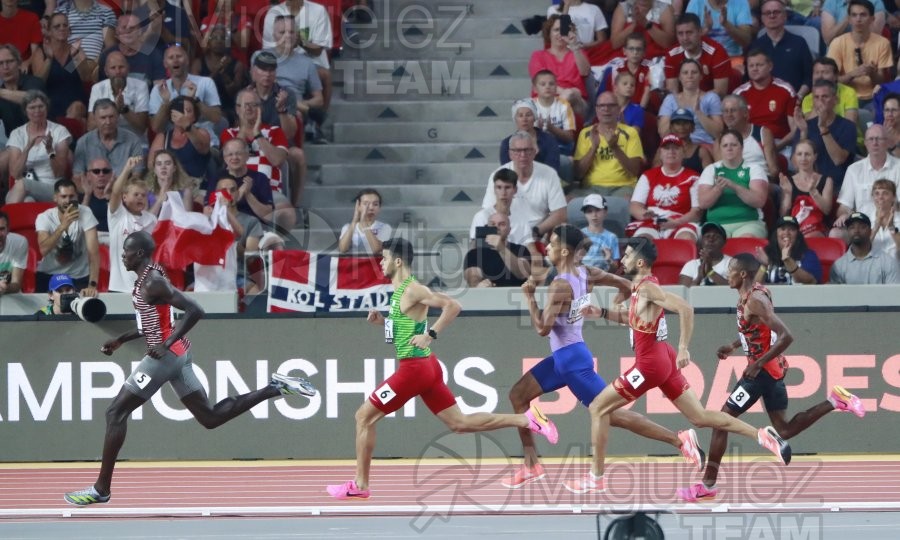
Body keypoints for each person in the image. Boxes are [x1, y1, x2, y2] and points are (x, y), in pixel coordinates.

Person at [63, 230, 316, 506]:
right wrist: (121, 340)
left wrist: (166, 344)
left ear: (137, 254)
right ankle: (275, 387)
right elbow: (153, 320)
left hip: (165, 357)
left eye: (124, 251)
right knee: (209, 418)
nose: (120, 256)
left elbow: (196, 310)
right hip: (179, 354)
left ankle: (101, 489)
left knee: (115, 412)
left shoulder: (153, 283)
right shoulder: (148, 278)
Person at [326, 238, 559, 500]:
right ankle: (527, 419)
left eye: (385, 257)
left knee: (363, 417)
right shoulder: (400, 291)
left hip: (414, 370)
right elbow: (403, 333)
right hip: (426, 367)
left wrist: (431, 334)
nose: (381, 262)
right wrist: (383, 324)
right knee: (460, 423)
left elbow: (453, 305)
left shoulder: (413, 289)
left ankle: (361, 484)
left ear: (398, 261)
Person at [565, 240, 792, 494]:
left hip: (650, 364)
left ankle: (596, 478)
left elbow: (685, 308)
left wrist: (684, 347)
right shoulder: (641, 287)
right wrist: (602, 312)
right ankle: (762, 435)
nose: (623, 260)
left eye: (628, 256)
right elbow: (634, 318)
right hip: (663, 359)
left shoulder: (648, 287)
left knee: (597, 407)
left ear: (640, 262)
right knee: (701, 417)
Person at [505, 225, 704, 488]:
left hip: (571, 363)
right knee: (518, 395)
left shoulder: (560, 286)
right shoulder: (587, 274)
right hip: (566, 358)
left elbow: (543, 328)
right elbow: (624, 284)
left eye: (552, 244)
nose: (548, 249)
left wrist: (529, 298)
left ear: (564, 251)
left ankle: (679, 441)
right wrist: (619, 307)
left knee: (613, 414)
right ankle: (532, 464)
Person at [676, 252, 865, 502]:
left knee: (721, 420)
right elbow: (759, 330)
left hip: (761, 372)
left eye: (730, 269)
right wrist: (734, 346)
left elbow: (787, 335)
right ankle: (835, 401)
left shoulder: (755, 300)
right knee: (784, 429)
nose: (726, 274)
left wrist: (758, 364)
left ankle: (707, 485)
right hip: (771, 370)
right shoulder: (754, 293)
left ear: (742, 273)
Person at [628, 134, 702, 240]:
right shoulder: (648, 175)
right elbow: (634, 206)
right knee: (641, 241)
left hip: (681, 222)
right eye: (666, 148)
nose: (671, 152)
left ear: (683, 153)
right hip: (652, 222)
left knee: (686, 238)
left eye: (675, 148)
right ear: (660, 153)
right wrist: (644, 214)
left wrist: (676, 222)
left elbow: (697, 212)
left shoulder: (693, 177)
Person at [698, 129, 769, 238]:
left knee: (745, 241)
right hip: (716, 225)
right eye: (725, 145)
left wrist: (734, 186)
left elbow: (759, 201)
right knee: (713, 242)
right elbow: (703, 203)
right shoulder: (711, 169)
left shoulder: (754, 169)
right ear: (720, 149)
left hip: (749, 223)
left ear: (742, 147)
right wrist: (717, 189)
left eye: (733, 145)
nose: (729, 148)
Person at [574, 91, 645, 198]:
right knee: (568, 201)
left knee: (626, 203)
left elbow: (634, 171)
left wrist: (615, 147)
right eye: (601, 106)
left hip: (622, 187)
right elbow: (578, 174)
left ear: (618, 109)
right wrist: (593, 148)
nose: (606, 109)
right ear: (596, 109)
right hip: (591, 187)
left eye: (611, 105)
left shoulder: (630, 133)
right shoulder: (585, 133)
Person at [4, 90, 72, 203]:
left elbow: (59, 172)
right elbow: (15, 173)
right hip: (25, 188)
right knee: (28, 201)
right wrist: (27, 149)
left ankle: (6, 218)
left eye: (41, 106)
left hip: (52, 187)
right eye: (32, 107)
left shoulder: (59, 131)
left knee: (23, 184)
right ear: (25, 111)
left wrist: (50, 151)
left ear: (47, 108)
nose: (37, 111)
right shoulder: (17, 134)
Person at [35, 179, 99, 296]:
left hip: (78, 275)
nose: (68, 201)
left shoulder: (86, 213)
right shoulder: (45, 217)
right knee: (46, 311)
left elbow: (93, 253)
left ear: (77, 197)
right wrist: (63, 226)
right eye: (63, 196)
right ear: (55, 198)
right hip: (49, 273)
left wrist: (92, 285)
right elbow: (43, 250)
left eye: (71, 196)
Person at [826, 0, 892, 107]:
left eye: (863, 15)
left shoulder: (883, 43)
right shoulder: (837, 43)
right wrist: (852, 74)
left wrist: (872, 73)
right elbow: (831, 81)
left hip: (873, 97)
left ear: (872, 19)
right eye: (854, 15)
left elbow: (881, 81)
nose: (858, 19)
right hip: (843, 97)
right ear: (849, 19)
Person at [30, 12, 92, 121]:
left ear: (69, 30)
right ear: (49, 31)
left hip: (77, 104)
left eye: (65, 25)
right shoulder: (41, 52)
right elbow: (38, 83)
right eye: (57, 26)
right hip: (50, 106)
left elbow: (86, 78)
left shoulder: (75, 50)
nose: (62, 28)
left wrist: (75, 57)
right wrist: (49, 59)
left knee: (76, 108)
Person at [107, 156, 156, 293]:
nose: (140, 197)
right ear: (125, 197)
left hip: (146, 288)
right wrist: (127, 169)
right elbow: (115, 192)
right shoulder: (117, 215)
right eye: (136, 194)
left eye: (143, 195)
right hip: (119, 287)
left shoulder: (152, 220)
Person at [528, 14, 590, 118]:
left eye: (563, 30)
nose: (560, 34)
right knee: (569, 93)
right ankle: (554, 120)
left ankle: (551, 120)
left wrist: (574, 46)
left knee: (572, 94)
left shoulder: (578, 53)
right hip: (545, 98)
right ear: (549, 33)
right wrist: (564, 92)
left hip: (576, 102)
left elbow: (585, 72)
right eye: (556, 30)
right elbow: (541, 82)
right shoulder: (538, 56)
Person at [72, 99, 144, 188]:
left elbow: (136, 176)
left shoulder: (133, 140)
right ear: (94, 119)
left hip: (123, 194)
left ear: (118, 117)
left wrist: (117, 192)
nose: (108, 122)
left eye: (111, 117)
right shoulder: (83, 142)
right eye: (103, 118)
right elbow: (77, 177)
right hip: (93, 194)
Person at [750, 0, 814, 100]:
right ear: (762, 18)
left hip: (794, 101)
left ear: (785, 16)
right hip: (763, 102)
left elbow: (809, 77)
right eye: (767, 13)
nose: (772, 16)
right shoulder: (756, 46)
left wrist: (798, 97)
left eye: (776, 12)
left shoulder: (799, 43)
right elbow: (748, 79)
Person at [664, 12, 731, 97]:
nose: (685, 38)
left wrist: (693, 101)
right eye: (680, 33)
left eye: (689, 32)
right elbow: (672, 92)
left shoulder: (717, 52)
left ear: (700, 31)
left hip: (711, 105)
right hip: (682, 104)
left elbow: (720, 92)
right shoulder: (671, 54)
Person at [658, 60, 723, 147]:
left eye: (694, 72)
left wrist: (698, 112)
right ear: (679, 77)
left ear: (701, 76)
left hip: (703, 144)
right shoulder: (670, 99)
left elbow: (718, 133)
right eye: (685, 73)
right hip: (676, 145)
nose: (690, 76)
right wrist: (676, 115)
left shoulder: (711, 97)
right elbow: (663, 133)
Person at [778, 139, 834, 238]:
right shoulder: (788, 181)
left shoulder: (826, 180)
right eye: (799, 154)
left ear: (815, 157)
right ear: (794, 157)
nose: (803, 158)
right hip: (794, 228)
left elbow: (826, 210)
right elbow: (783, 215)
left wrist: (813, 192)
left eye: (807, 154)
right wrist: (787, 194)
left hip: (818, 228)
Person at [87, 51, 150, 137]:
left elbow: (141, 127)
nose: (117, 72)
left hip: (134, 141)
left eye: (121, 67)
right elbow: (91, 127)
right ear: (106, 71)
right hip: (104, 142)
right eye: (113, 68)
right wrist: (115, 109)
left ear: (128, 68)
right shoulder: (97, 88)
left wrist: (124, 109)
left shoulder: (141, 86)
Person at [463, 212, 532, 287]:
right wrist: (479, 285)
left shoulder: (521, 249)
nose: (497, 227)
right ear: (487, 227)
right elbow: (472, 277)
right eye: (492, 224)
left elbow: (523, 274)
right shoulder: (474, 253)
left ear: (509, 230)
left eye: (502, 224)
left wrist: (501, 248)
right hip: (488, 295)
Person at [830, 211, 900, 283]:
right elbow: (836, 294)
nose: (856, 231)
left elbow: (893, 293)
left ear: (870, 231)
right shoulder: (839, 266)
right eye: (852, 227)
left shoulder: (888, 262)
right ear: (847, 232)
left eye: (862, 227)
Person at [755, 215, 823, 284]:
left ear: (797, 235)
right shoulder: (766, 254)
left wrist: (788, 260)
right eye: (783, 229)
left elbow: (811, 281)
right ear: (776, 234)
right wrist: (764, 266)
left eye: (791, 229)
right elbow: (754, 288)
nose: (786, 233)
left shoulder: (808, 255)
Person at [500, 99, 560, 172]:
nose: (524, 119)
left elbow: (552, 169)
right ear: (515, 119)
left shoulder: (549, 140)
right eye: (520, 115)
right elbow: (507, 171)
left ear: (534, 117)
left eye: (528, 115)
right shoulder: (506, 144)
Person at [685, 0, 755, 58]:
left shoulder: (740, 2)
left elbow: (746, 40)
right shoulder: (695, 3)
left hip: (731, 57)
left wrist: (726, 24)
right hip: (702, 57)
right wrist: (706, 29)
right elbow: (686, 40)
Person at [338, 188, 392, 254]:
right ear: (358, 206)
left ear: (379, 208)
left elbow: (376, 249)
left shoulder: (385, 227)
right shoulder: (347, 227)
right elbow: (343, 249)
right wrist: (354, 220)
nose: (371, 208)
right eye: (366, 204)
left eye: (375, 204)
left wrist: (364, 224)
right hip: (352, 263)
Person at [659, 107, 714, 172]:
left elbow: (710, 176)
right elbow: (656, 174)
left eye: (686, 123)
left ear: (693, 127)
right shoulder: (663, 150)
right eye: (677, 123)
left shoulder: (701, 152)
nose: (681, 127)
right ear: (671, 128)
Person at [679, 221, 732, 286]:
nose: (711, 240)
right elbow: (683, 293)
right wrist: (699, 278)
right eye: (707, 236)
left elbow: (735, 291)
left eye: (716, 237)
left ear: (724, 242)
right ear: (701, 242)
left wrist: (710, 272)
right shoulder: (691, 265)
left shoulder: (732, 263)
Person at [580, 194, 619, 270]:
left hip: (603, 278)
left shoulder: (612, 237)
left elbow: (615, 268)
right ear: (584, 214)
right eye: (589, 211)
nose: (594, 215)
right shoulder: (578, 234)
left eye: (597, 210)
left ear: (605, 212)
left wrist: (608, 260)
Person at [869, 179, 900, 260]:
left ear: (893, 197)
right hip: (872, 267)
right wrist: (875, 227)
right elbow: (861, 250)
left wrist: (892, 228)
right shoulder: (865, 219)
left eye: (885, 193)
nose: (880, 197)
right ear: (872, 197)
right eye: (876, 193)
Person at [0, 209, 27, 296]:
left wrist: (5, 288)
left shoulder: (19, 243)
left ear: (8, 229)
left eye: (1, 229)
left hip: (10, 295)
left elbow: (16, 284)